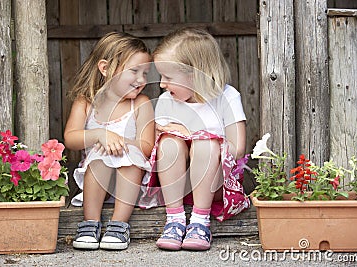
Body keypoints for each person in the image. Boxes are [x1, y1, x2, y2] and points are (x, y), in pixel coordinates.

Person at [140, 28, 250, 251]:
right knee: (169, 142)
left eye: (168, 77)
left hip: (216, 185)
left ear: (195, 75)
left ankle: (200, 223)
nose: (161, 83)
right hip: (176, 187)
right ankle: (175, 220)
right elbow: (154, 148)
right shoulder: (166, 100)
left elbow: (237, 148)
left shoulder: (227, 97)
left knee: (206, 144)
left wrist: (193, 134)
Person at [64, 32, 154, 251]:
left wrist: (120, 143)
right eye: (134, 71)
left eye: (145, 73)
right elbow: (70, 138)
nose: (141, 80)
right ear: (105, 68)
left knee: (129, 157)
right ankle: (90, 223)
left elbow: (146, 146)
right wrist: (100, 135)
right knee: (100, 153)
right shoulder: (86, 102)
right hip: (95, 183)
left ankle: (118, 225)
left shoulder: (141, 104)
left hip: (131, 186)